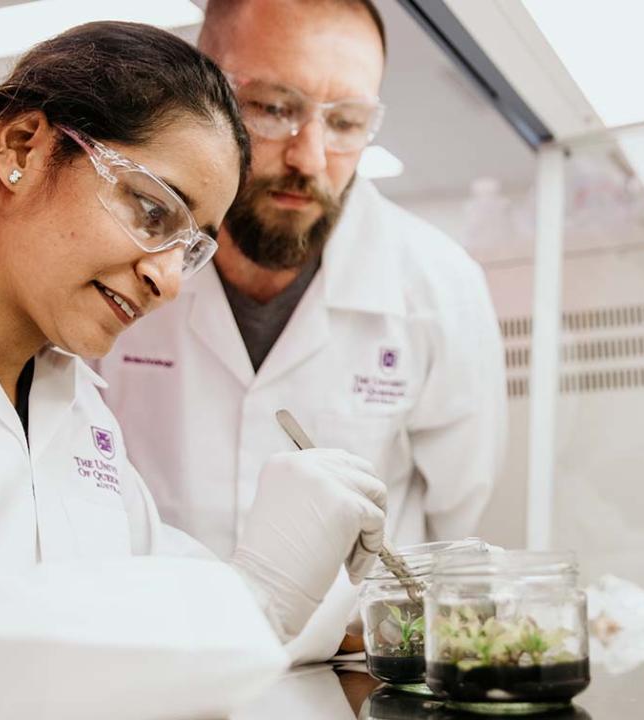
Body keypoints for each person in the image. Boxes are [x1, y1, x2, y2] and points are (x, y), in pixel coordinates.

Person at [0, 20, 387, 709]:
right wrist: (259, 597)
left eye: (191, 248)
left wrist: (366, 615)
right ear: (23, 145)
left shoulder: (75, 405)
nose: (170, 281)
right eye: (153, 210)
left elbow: (152, 580)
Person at [97, 0, 507, 658]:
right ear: (204, 92)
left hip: (351, 674)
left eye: (346, 122)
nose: (310, 158)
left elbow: (454, 534)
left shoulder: (439, 288)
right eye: (274, 108)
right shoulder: (117, 258)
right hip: (149, 662)